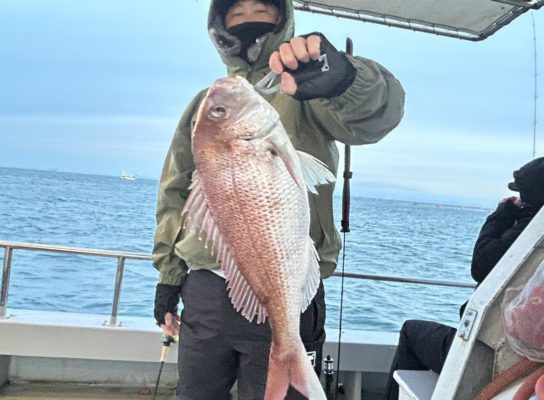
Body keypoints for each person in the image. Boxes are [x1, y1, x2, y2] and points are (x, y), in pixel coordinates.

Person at [152, 1, 405, 399]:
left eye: (261, 9)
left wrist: (344, 80)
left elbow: (375, 117)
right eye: (237, 13)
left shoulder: (307, 85)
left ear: (282, 18)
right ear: (219, 26)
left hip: (289, 285)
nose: (249, 19)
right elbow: (175, 188)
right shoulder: (205, 104)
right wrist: (169, 276)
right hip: (205, 290)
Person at [383, 156, 544, 400]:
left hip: (488, 362)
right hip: (523, 363)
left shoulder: (525, 235)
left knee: (410, 331)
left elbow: (481, 264)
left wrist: (503, 213)